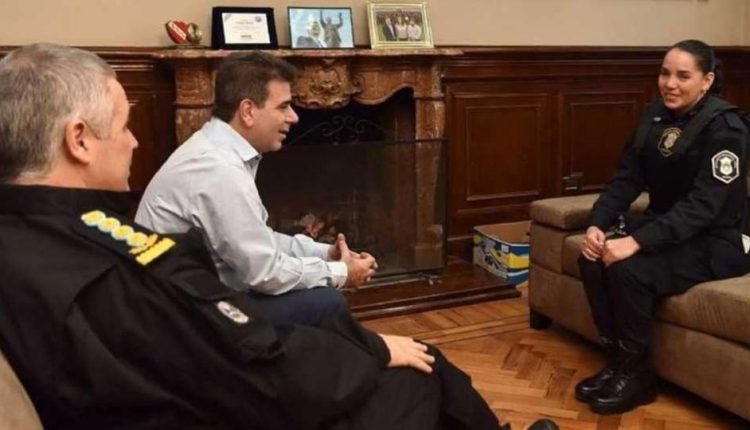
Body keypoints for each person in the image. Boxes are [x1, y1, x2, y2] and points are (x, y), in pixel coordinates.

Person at [0, 43, 561, 430]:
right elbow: (251, 356)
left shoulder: (45, 237)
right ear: (79, 139)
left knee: (359, 333)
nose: (134, 142)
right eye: (124, 125)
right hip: (234, 401)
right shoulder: (116, 268)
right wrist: (370, 347)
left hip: (215, 381)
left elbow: (247, 270)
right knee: (422, 366)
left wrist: (323, 256)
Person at [136, 52, 376, 326]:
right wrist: (340, 272)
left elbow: (258, 240)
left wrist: (324, 253)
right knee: (326, 301)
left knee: (322, 297)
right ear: (248, 111)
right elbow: (264, 273)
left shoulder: (216, 150)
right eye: (283, 107)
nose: (294, 117)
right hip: (185, 317)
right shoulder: (220, 170)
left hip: (195, 297)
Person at [576, 39, 750, 415]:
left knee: (628, 270)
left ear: (707, 80)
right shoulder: (654, 116)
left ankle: (638, 377)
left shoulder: (727, 127)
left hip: (718, 240)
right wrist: (597, 225)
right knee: (591, 258)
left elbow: (703, 208)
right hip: (668, 230)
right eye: (665, 73)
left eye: (683, 76)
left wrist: (637, 241)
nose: (670, 84)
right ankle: (618, 363)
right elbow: (625, 179)